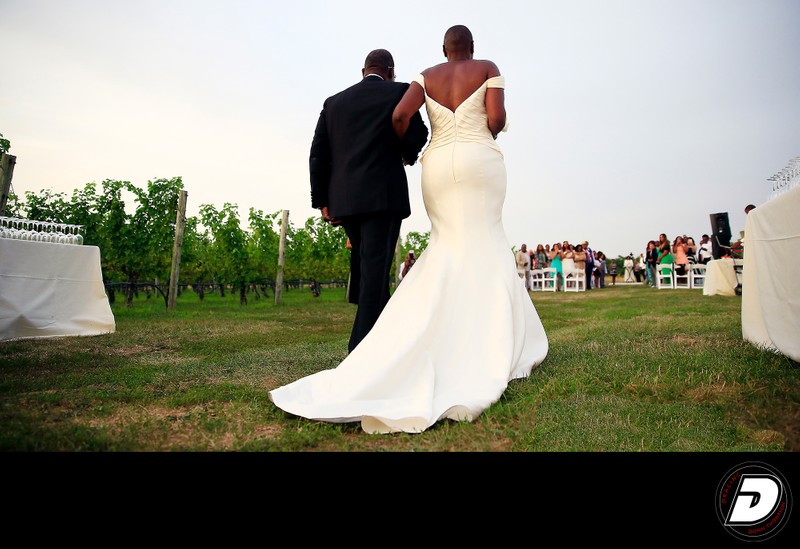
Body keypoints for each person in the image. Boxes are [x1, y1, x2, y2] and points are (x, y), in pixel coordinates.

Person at [270, 25, 548, 434]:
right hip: (454, 167)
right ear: (470, 48)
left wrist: (326, 198)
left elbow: (353, 138)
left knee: (426, 250)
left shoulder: (393, 85)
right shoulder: (479, 69)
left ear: (443, 49)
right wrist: (411, 150)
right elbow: (490, 118)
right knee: (480, 239)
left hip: (400, 179)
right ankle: (459, 337)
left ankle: (382, 337)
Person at [305, 48, 428, 354]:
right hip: (383, 198)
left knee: (369, 273)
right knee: (374, 274)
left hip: (346, 202)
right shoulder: (399, 93)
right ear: (390, 71)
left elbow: (318, 153)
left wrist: (322, 200)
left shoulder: (333, 103)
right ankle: (359, 352)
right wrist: (406, 155)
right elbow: (419, 133)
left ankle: (386, 344)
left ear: (364, 70)